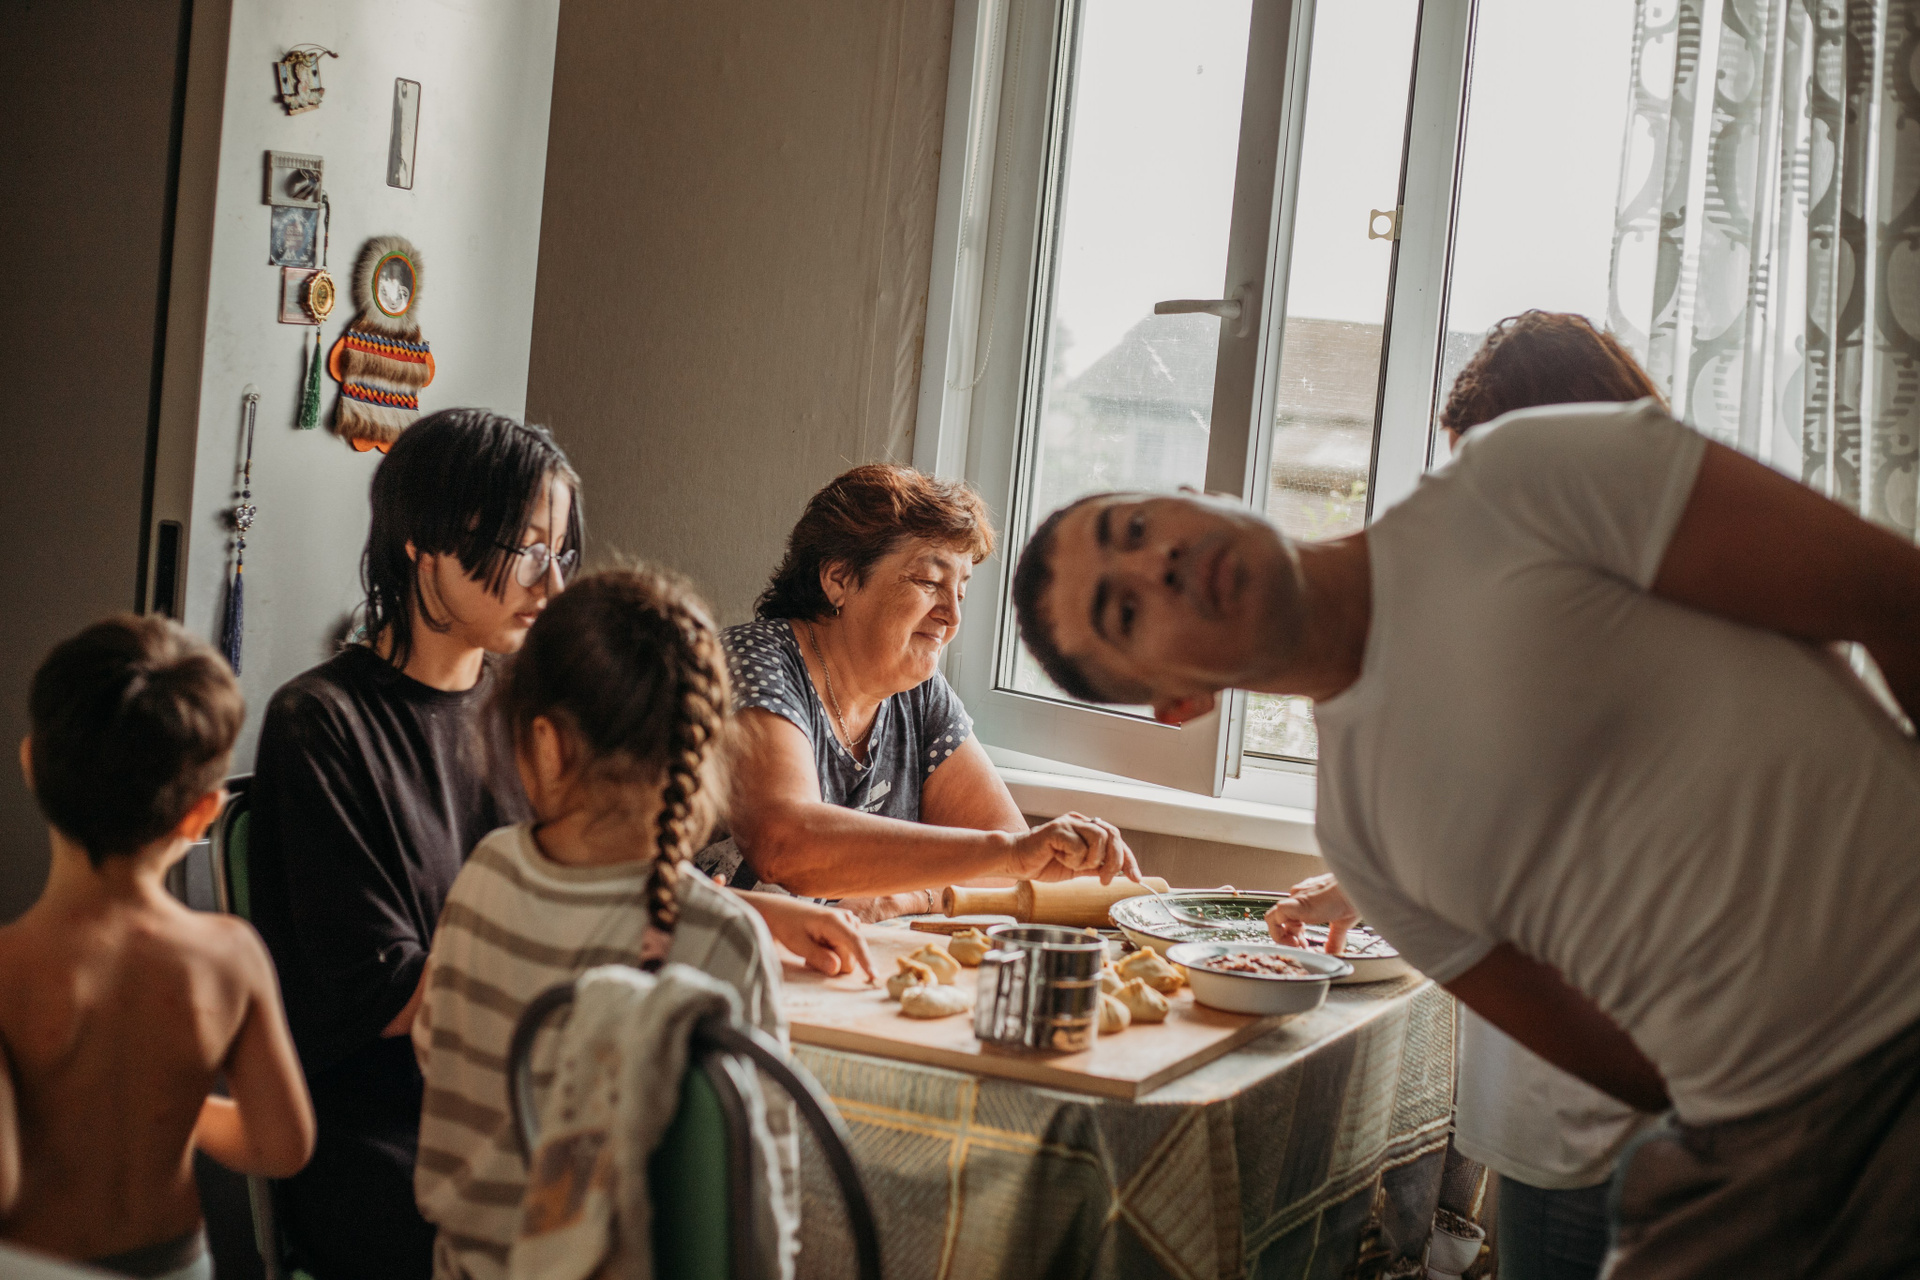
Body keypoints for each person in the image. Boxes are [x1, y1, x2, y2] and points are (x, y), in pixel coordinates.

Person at [1009, 381, 1920, 1272]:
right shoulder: (1360, 840)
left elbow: (1896, 599)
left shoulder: (1519, 480)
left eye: (1136, 528)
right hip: (1755, 1140)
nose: (1158, 566)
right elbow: (1624, 1066)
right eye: (1126, 612)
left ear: (1195, 494)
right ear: (1181, 703)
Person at [251, 410, 868, 1280]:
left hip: (544, 1103)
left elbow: (576, 879)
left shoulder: (521, 702)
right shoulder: (322, 724)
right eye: (525, 548)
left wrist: (750, 910)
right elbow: (376, 995)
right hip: (404, 1139)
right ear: (423, 541)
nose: (551, 581)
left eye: (562, 552)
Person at [1264, 312, 1665, 1280]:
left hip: (1595, 1122)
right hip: (1587, 1104)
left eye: (1487, 473)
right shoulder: (1600, 599)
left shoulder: (1603, 618)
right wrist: (1362, 883)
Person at [414, 567, 796, 1279]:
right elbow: (760, 1189)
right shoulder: (724, 937)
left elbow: (435, 1055)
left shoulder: (486, 873)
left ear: (548, 745)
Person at [0, 616, 314, 1277]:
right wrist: (174, 1109)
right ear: (203, 814)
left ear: (30, 764)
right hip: (175, 1263)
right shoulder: (231, 956)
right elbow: (282, 1146)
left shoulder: (9, 970)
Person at [711, 464, 1139, 919]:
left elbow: (1011, 865)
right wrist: (1011, 852)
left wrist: (909, 896)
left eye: (961, 592)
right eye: (930, 583)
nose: (952, 616)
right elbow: (785, 847)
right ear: (838, 579)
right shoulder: (752, 661)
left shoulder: (919, 693)